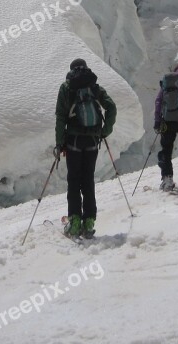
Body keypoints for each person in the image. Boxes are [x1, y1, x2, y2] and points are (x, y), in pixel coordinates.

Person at [54, 59, 117, 238]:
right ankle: (89, 222)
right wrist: (104, 131)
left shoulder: (66, 88)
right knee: (87, 179)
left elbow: (60, 117)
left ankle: (74, 222)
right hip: (92, 140)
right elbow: (111, 107)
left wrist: (59, 143)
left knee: (74, 180)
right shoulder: (94, 87)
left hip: (73, 141)